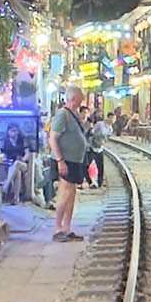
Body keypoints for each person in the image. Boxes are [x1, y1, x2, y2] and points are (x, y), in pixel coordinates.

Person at [49, 87, 89, 241]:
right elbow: (53, 138)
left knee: (71, 194)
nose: (82, 100)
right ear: (73, 98)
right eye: (80, 98)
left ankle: (67, 228)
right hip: (66, 161)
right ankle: (57, 228)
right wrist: (60, 160)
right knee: (64, 193)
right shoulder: (62, 114)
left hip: (75, 160)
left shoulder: (74, 114)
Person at [87, 109, 113, 189]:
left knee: (100, 167)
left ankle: (99, 183)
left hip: (100, 148)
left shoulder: (111, 129)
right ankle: (90, 181)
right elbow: (92, 132)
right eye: (111, 118)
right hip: (92, 147)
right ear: (108, 118)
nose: (112, 120)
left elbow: (107, 138)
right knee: (86, 166)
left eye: (114, 119)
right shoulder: (100, 124)